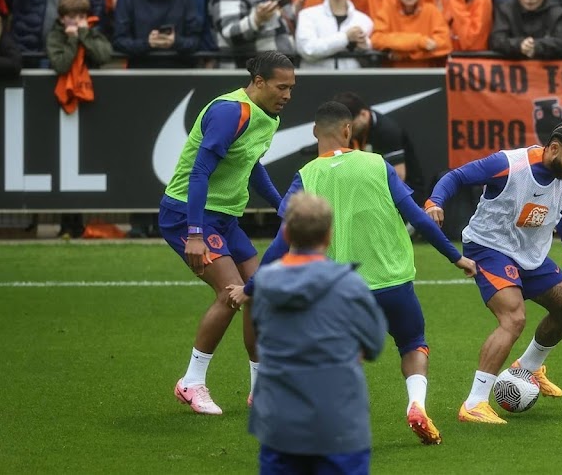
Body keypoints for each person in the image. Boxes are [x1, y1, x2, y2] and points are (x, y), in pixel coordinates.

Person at [232, 101, 476, 445]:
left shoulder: (306, 176)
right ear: (349, 131)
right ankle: (416, 404)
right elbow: (418, 217)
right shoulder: (378, 164)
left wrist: (252, 286)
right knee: (413, 344)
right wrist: (456, 257)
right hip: (393, 282)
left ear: (316, 132)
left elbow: (281, 241)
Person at [426, 121, 562, 423]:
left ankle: (528, 368)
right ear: (554, 148)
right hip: (488, 248)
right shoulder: (508, 164)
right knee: (513, 318)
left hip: (530, 254)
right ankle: (474, 403)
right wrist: (435, 201)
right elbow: (456, 176)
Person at [158, 51, 294, 415]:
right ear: (259, 82)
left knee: (257, 291)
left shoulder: (269, 116)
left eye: (291, 88)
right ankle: (191, 382)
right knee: (231, 293)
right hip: (188, 215)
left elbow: (251, 166)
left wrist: (281, 206)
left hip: (226, 219)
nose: (287, 94)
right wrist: (195, 232)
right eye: (282, 87)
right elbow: (199, 173)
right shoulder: (230, 112)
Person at [246, 191, 387, 475]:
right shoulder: (350, 285)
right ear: (329, 235)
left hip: (279, 425)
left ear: (286, 234)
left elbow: (260, 336)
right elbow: (374, 343)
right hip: (339, 424)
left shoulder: (263, 284)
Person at [335, 90, 425, 203]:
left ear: (363, 114)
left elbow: (398, 177)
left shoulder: (387, 132)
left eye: (351, 126)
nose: (348, 131)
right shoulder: (351, 133)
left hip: (404, 193)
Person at [295, 0, 372, 69]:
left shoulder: (364, 20)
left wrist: (364, 46)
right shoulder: (307, 15)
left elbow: (369, 56)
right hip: (315, 82)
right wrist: (345, 37)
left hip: (351, 82)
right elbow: (308, 50)